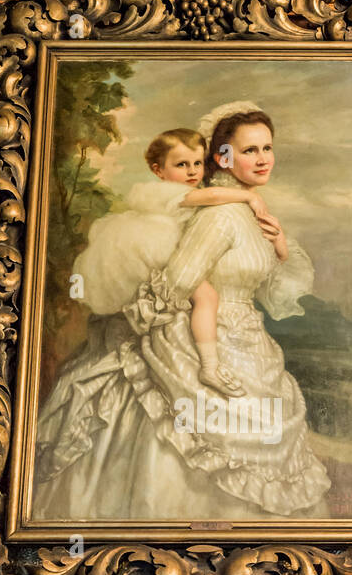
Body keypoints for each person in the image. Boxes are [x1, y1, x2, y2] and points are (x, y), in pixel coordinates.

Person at [34, 101, 331, 521]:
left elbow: (271, 294)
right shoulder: (223, 213)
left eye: (267, 148)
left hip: (248, 338)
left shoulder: (251, 213)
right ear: (223, 158)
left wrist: (279, 243)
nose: (262, 158)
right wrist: (143, 326)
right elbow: (181, 279)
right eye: (250, 150)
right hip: (196, 338)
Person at [72, 124, 280, 395]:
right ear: (159, 170)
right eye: (181, 164)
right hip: (154, 249)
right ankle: (210, 367)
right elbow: (213, 195)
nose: (192, 171)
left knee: (202, 297)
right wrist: (247, 196)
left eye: (197, 163)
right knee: (208, 298)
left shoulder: (192, 191)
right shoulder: (167, 192)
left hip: (167, 248)